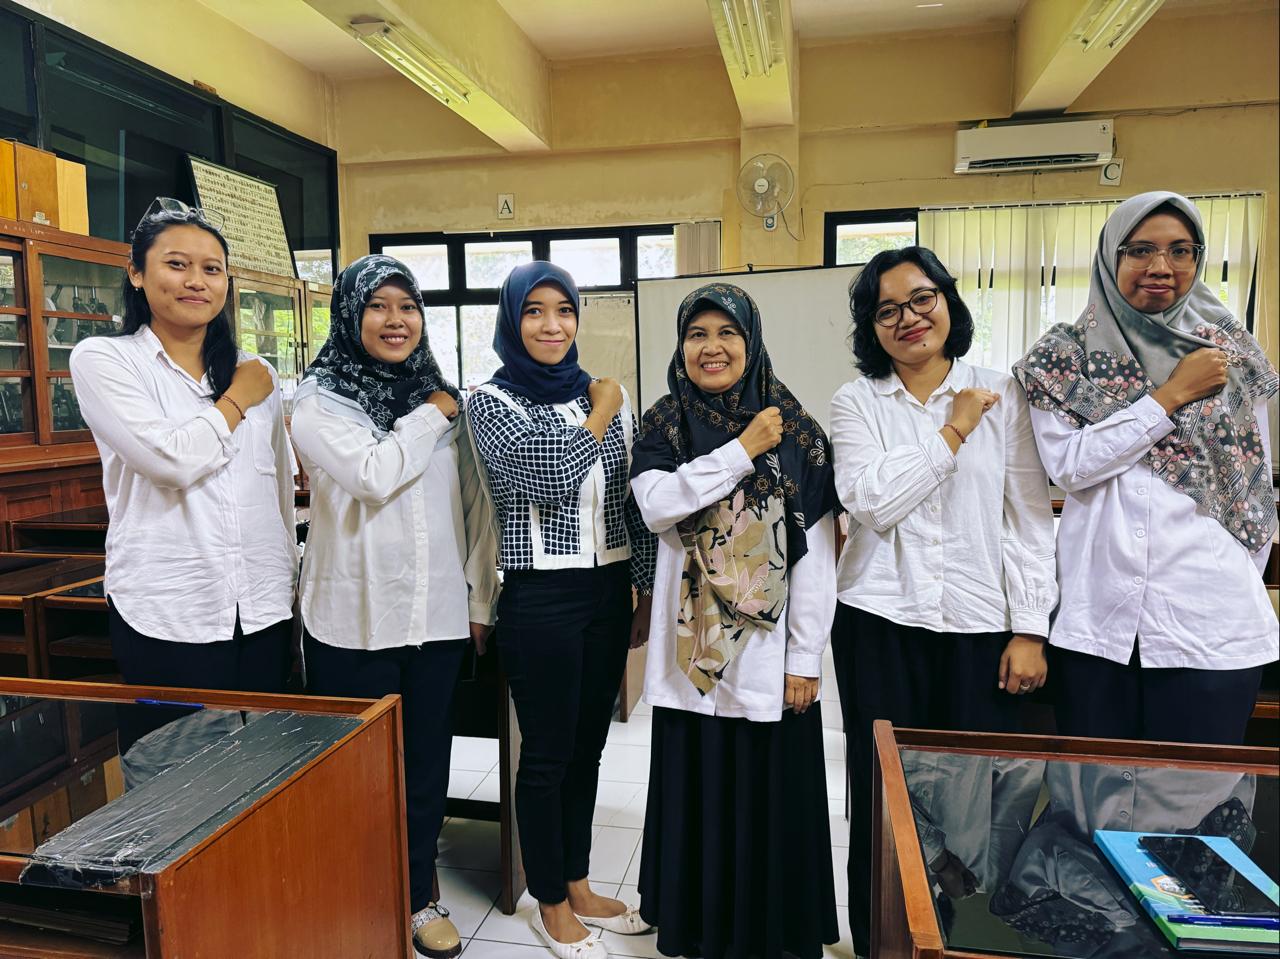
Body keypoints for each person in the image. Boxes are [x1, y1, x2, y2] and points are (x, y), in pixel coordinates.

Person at [829, 246, 1058, 956]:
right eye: (887, 310)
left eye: (921, 298)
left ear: (948, 302)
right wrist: (954, 429)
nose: (908, 318)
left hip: (979, 625)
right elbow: (872, 503)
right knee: (883, 795)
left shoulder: (1002, 392)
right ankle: (882, 943)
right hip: (879, 621)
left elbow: (1028, 517)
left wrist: (1031, 629)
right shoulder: (856, 402)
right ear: (872, 327)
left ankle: (958, 943)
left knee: (973, 804)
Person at [291, 254, 499, 959]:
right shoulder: (319, 401)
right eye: (377, 305)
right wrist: (432, 414)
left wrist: (478, 600)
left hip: (435, 618)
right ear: (350, 314)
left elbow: (473, 506)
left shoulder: (442, 398)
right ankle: (353, 898)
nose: (395, 320)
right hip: (351, 620)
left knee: (425, 768)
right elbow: (373, 475)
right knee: (353, 776)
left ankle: (416, 896)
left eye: (407, 306)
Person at [1014, 190, 1278, 746]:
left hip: (1211, 626)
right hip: (1096, 626)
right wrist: (1169, 396)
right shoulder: (1062, 358)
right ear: (1111, 256)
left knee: (1196, 794)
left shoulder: (1231, 354)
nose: (1161, 267)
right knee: (1095, 790)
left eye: (1181, 250)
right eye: (1140, 250)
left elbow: (1252, 485)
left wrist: (1223, 572)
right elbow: (1071, 467)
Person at [630, 282, 841, 959]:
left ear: (751, 343)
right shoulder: (664, 422)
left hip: (769, 656)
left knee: (767, 795)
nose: (711, 347)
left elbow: (817, 556)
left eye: (727, 333)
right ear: (681, 345)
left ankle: (770, 937)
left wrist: (805, 658)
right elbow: (658, 506)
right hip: (691, 655)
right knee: (698, 789)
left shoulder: (797, 431)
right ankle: (696, 930)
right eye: (697, 334)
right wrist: (742, 449)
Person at [466, 261, 655, 959]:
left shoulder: (603, 393)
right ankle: (548, 899)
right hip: (540, 594)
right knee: (546, 754)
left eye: (564, 310)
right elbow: (547, 477)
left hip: (607, 590)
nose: (553, 325)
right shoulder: (491, 401)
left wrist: (642, 588)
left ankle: (578, 881)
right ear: (512, 321)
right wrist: (601, 412)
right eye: (535, 311)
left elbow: (630, 498)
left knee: (588, 748)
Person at [69, 197, 296, 756]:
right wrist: (236, 400)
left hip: (263, 608)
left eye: (212, 269)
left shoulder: (256, 370)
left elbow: (278, 490)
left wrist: (287, 583)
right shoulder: (105, 360)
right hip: (168, 610)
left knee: (269, 768)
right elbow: (170, 462)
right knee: (178, 778)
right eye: (177, 264)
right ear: (136, 273)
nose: (196, 281)